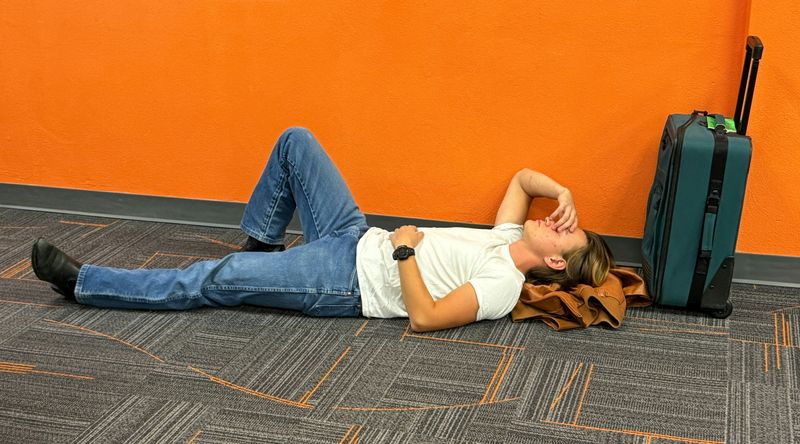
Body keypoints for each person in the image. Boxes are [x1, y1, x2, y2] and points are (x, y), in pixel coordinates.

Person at [31, 127, 614, 332]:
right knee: (297, 141)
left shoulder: (502, 284)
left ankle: (87, 283)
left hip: (345, 281)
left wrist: (406, 253)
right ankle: (262, 249)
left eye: (564, 230)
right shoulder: (505, 238)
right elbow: (522, 178)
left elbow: (426, 317)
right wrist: (562, 190)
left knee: (216, 276)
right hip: (353, 235)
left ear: (555, 263)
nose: (555, 219)